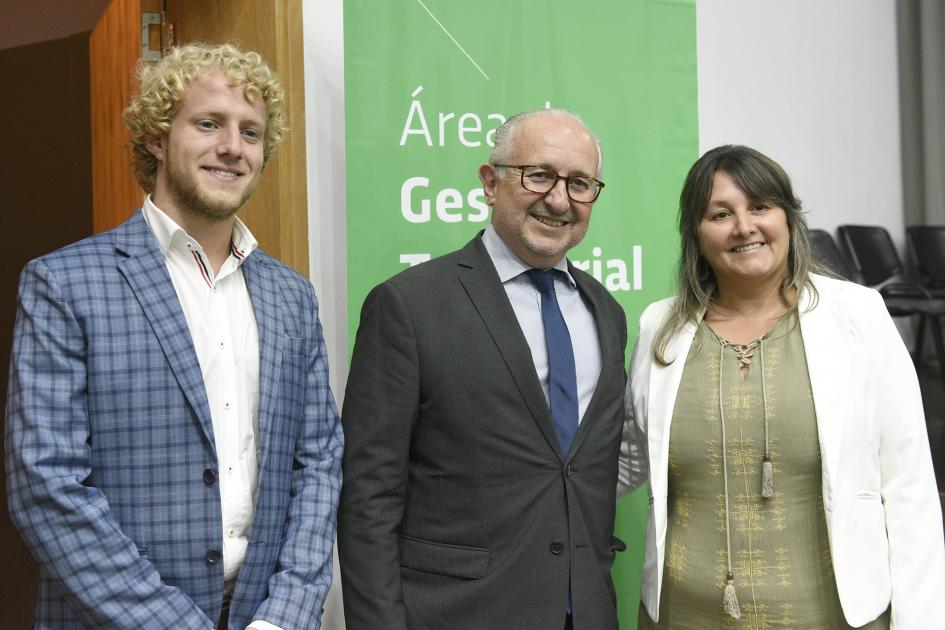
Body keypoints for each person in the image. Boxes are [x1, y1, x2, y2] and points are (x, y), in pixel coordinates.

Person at [5, 43, 343, 630]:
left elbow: (318, 464)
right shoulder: (64, 283)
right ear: (157, 138)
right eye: (208, 123)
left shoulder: (292, 295)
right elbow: (46, 485)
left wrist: (284, 616)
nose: (233, 147)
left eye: (251, 132)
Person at [619, 144, 945, 628]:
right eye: (720, 213)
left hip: (831, 616)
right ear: (696, 234)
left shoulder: (857, 315)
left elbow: (909, 484)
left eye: (759, 207)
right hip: (684, 615)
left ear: (789, 219)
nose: (743, 227)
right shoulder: (660, 325)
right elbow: (627, 457)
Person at [337, 109, 628, 630]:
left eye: (580, 183)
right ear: (491, 183)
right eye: (538, 175)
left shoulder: (606, 312)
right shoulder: (409, 305)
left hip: (584, 613)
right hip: (456, 615)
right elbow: (368, 498)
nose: (559, 199)